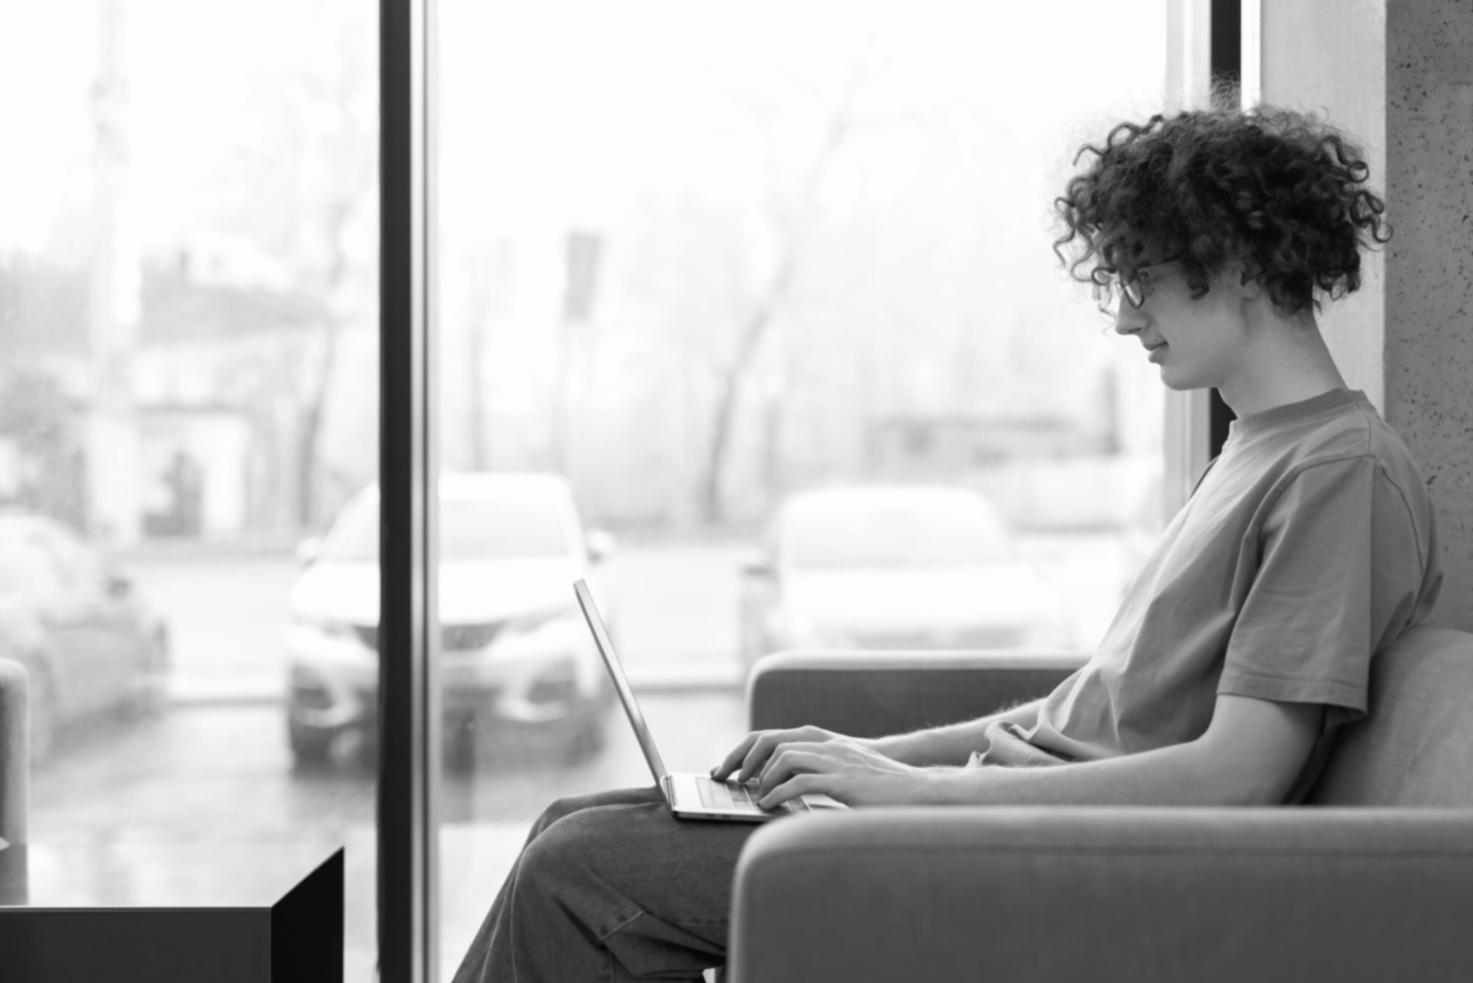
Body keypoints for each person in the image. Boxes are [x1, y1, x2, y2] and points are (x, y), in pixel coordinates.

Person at [451, 104, 1444, 983]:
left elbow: (1241, 772)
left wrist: (909, 794)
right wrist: (864, 755)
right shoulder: (1255, 453)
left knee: (574, 877)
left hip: (1056, 865)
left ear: (1238, 259)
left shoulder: (1337, 471)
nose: (1122, 313)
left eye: (1142, 277)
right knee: (569, 827)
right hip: (989, 814)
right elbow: (1094, 712)